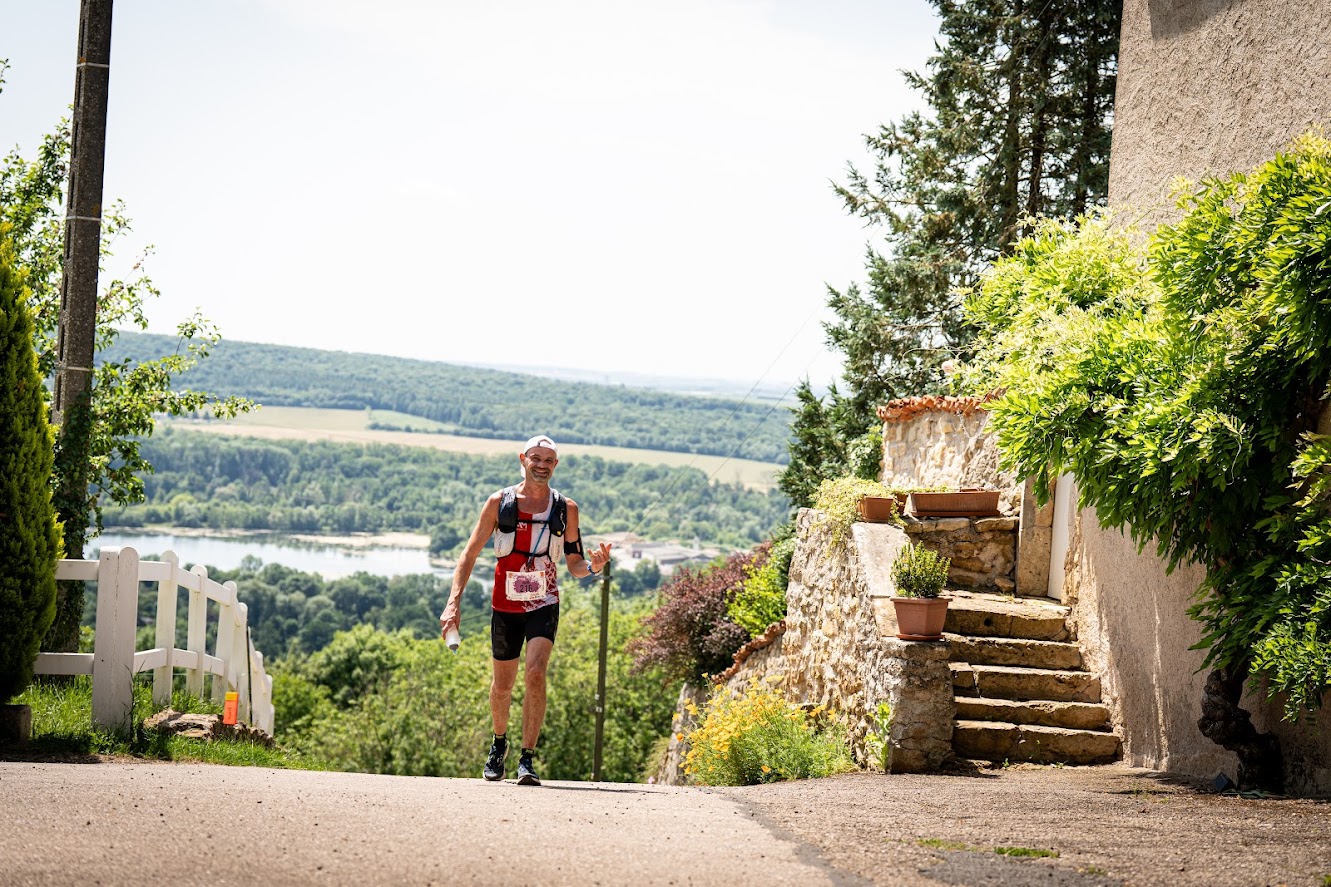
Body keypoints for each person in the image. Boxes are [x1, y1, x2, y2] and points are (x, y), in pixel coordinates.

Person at [439, 434, 611, 786]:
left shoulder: (566, 508)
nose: (542, 465)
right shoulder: (499, 502)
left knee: (535, 673)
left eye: (549, 460)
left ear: (556, 465)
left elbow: (575, 564)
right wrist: (453, 602)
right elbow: (468, 555)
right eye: (536, 458)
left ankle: (527, 759)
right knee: (503, 685)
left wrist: (594, 567)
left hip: (544, 601)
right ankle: (498, 744)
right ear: (523, 459)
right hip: (505, 603)